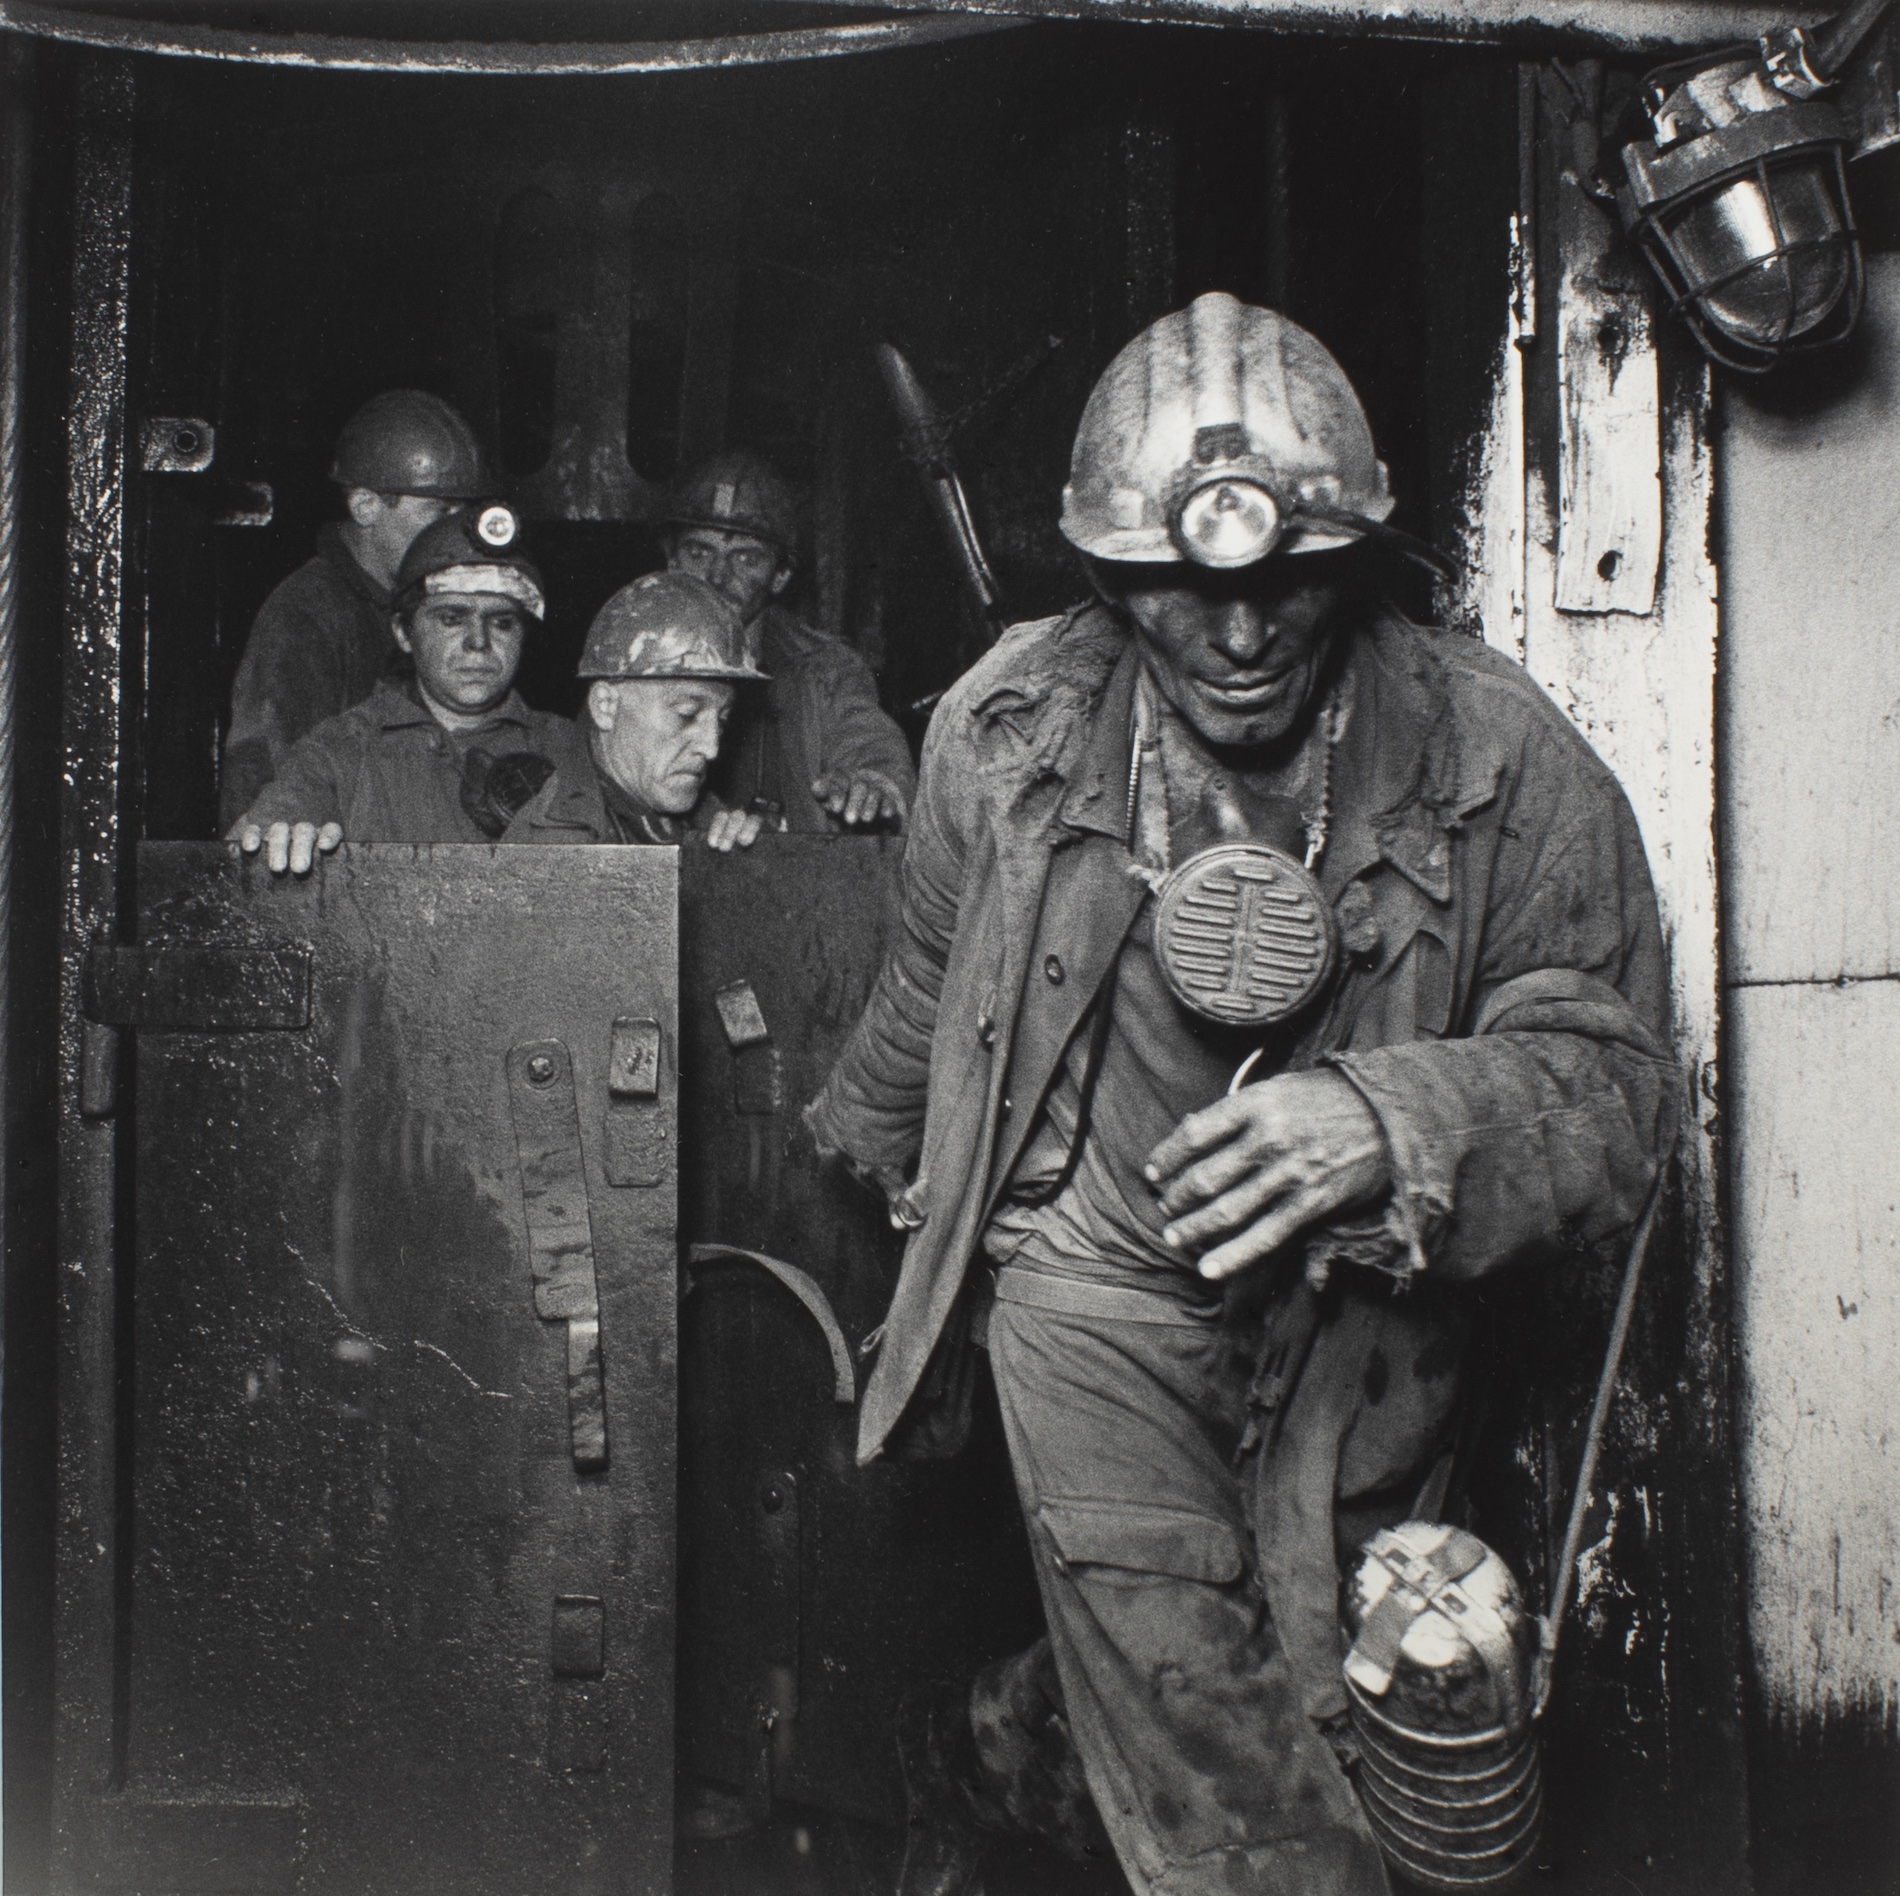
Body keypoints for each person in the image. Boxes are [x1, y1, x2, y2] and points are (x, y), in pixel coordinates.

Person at [805, 293, 1677, 1896]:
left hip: (1364, 1324)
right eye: (1178, 593)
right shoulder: (1003, 736)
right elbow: (922, 1028)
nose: (1242, 634)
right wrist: (911, 1285)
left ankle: (971, 1755)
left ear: (1354, 557)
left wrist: (1393, 1118)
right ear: (1106, 574)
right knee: (1225, 1760)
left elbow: (1619, 1094)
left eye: (1288, 582)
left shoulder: (1498, 758)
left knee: (1329, 1699)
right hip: (1095, 1291)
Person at [230, 505, 582, 874]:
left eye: (503, 622)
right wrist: (269, 841)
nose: (478, 642)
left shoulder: (570, 748)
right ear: (403, 632)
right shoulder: (338, 754)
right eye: (451, 618)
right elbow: (270, 829)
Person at [218, 388, 499, 829]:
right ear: (366, 506)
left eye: (464, 512)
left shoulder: (421, 604)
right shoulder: (306, 615)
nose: (456, 531)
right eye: (439, 510)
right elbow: (260, 799)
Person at [664, 447, 915, 833]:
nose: (717, 576)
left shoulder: (825, 670)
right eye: (700, 551)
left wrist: (876, 782)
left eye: (745, 558)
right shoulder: (633, 659)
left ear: (780, 576)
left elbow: (866, 737)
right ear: (673, 561)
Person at [502, 569, 768, 853]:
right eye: (687, 714)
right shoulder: (556, 847)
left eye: (722, 720)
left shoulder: (704, 819)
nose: (711, 747)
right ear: (606, 706)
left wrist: (749, 860)